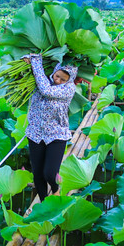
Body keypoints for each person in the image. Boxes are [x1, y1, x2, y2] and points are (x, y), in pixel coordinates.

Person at [22, 54, 78, 202]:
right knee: (38, 174)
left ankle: (56, 189)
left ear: (69, 80)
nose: (57, 80)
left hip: (56, 134)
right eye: (57, 76)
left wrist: (36, 63)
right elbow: (23, 78)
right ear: (54, 72)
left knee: (50, 173)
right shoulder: (42, 80)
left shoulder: (68, 89)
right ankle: (44, 202)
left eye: (62, 79)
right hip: (35, 133)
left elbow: (46, 90)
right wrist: (28, 60)